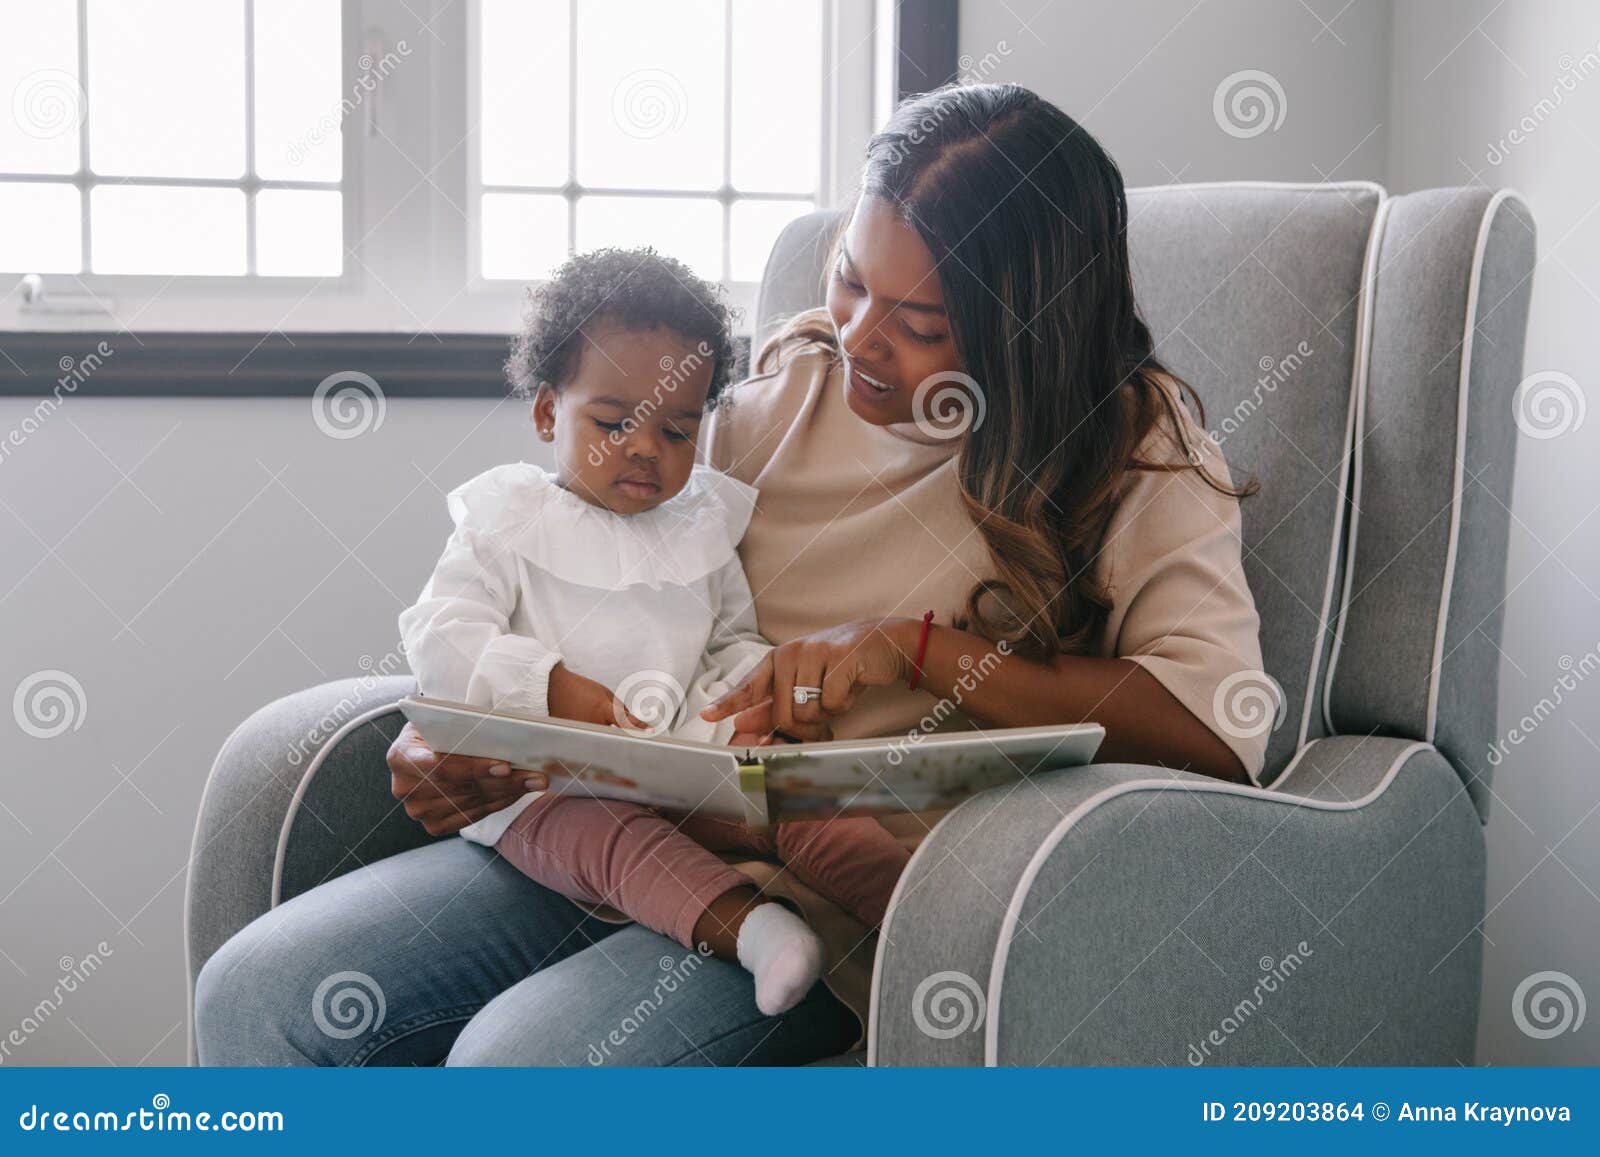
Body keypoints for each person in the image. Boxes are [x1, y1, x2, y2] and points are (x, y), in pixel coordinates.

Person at [195, 83, 1267, 1067]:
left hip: (842, 893)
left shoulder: (1132, 444)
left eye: (921, 324)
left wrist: (922, 649)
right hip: (620, 821)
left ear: (1029, 325)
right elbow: (602, 570)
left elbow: (1217, 727)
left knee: (524, 1069)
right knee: (261, 994)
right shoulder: (785, 382)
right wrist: (467, 727)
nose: (859, 338)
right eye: (850, 279)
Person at [396, 247, 909, 1017]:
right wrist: (546, 687)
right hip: (548, 789)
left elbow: (730, 641)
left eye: (676, 429)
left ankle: (927, 917)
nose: (645, 447)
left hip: (683, 761)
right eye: (613, 422)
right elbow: (443, 634)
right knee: (612, 841)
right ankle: (755, 930)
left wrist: (746, 704)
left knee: (802, 798)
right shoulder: (506, 521)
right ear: (546, 413)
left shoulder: (699, 527)